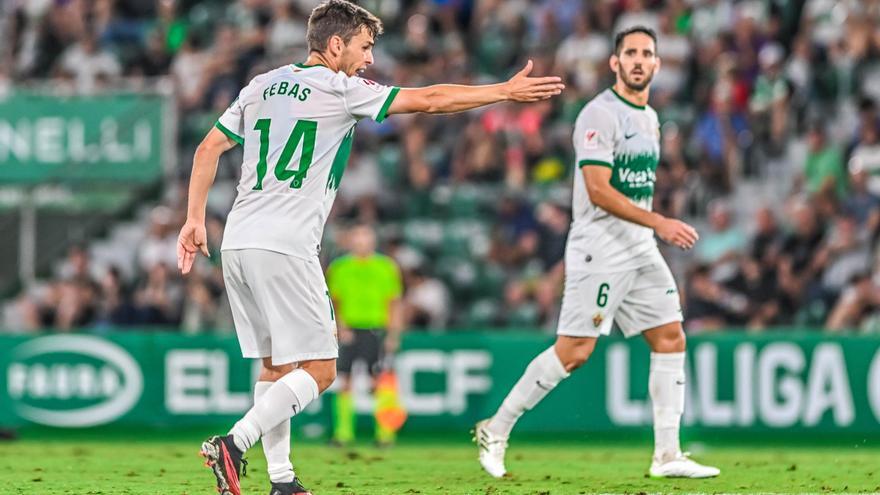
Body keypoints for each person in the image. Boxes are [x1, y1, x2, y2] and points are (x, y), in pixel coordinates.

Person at [175, 1, 564, 495]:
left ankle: (282, 480)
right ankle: (234, 443)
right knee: (320, 369)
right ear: (335, 44)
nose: (369, 59)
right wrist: (502, 91)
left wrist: (193, 219)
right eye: (364, 46)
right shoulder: (339, 88)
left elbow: (208, 147)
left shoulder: (261, 85)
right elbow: (431, 99)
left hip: (238, 240)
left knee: (274, 367)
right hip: (286, 244)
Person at [474, 26, 719, 480]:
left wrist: (651, 227)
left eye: (647, 53)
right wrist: (660, 222)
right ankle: (496, 427)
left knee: (670, 337)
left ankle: (667, 454)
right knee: (574, 351)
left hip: (639, 247)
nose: (639, 60)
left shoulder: (650, 118)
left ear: (658, 64)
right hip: (600, 249)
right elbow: (598, 190)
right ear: (615, 62)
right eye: (630, 53)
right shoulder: (599, 114)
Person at [326, 224, 403, 446]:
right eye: (357, 237)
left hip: (376, 328)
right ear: (350, 241)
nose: (361, 242)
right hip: (349, 329)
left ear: (373, 241)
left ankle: (385, 434)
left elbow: (394, 303)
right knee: (344, 379)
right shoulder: (339, 268)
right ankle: (343, 434)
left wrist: (393, 333)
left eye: (365, 237)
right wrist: (339, 327)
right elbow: (334, 302)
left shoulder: (386, 267)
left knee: (380, 379)